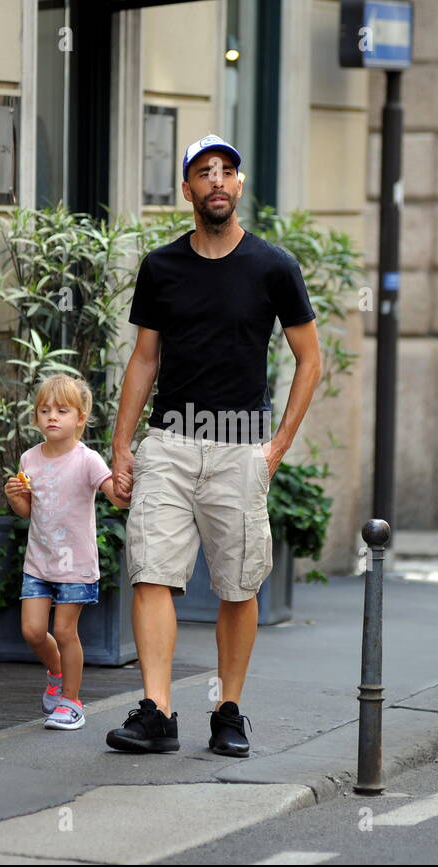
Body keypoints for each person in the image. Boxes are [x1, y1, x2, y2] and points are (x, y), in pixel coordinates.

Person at [107, 134, 322, 756]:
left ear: (240, 184)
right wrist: (123, 447)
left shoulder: (273, 266)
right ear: (188, 190)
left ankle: (228, 709)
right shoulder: (162, 267)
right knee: (152, 573)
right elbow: (144, 360)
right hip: (169, 444)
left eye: (228, 170)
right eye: (206, 172)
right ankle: (158, 711)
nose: (218, 181)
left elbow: (309, 360)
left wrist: (277, 447)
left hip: (239, 449)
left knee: (239, 585)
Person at [4, 374, 128, 730]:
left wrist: (122, 488)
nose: (52, 417)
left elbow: (113, 494)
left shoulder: (87, 460)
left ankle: (72, 702)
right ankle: (55, 672)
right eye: (45, 410)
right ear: (36, 417)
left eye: (62, 410)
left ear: (80, 418)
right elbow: (27, 511)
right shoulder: (29, 459)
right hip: (39, 562)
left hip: (75, 563)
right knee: (31, 631)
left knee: (64, 630)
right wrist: (15, 498)